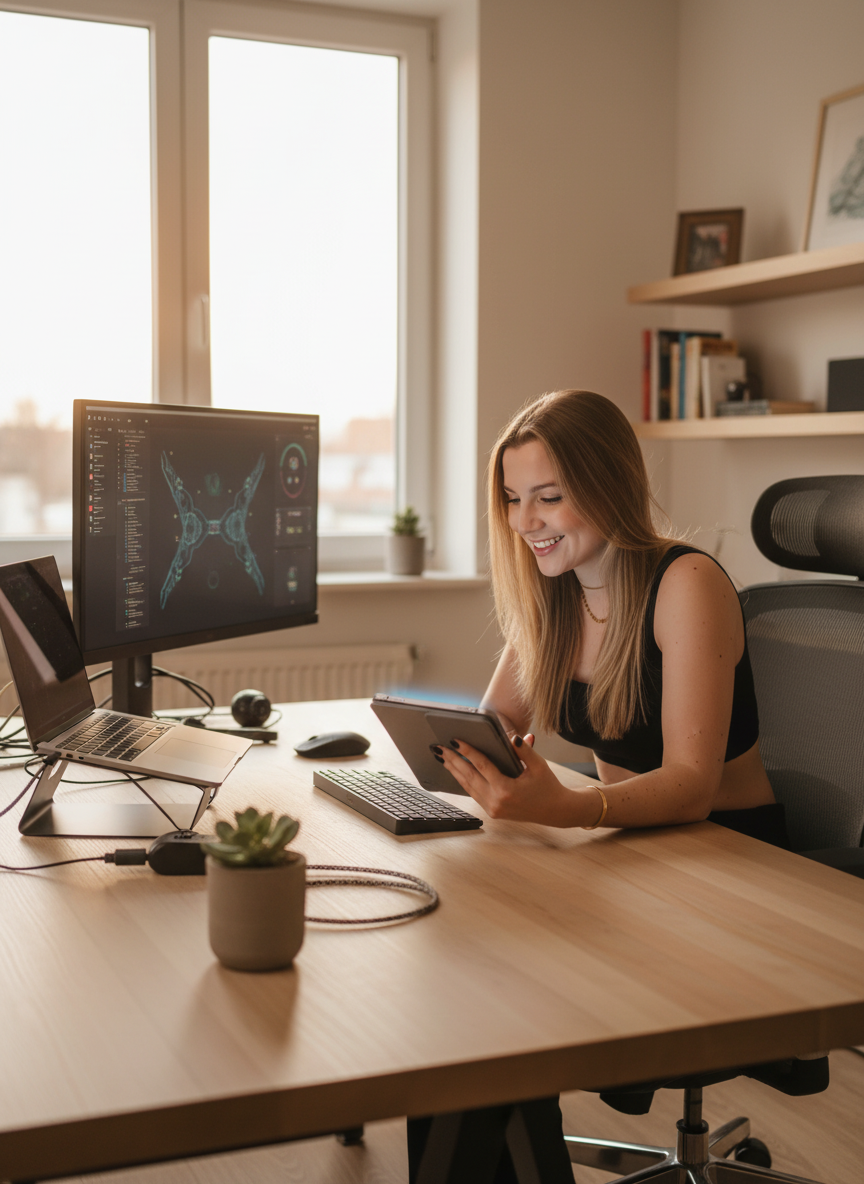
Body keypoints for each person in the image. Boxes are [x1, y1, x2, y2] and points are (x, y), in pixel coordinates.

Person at [433, 388, 788, 848]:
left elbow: (692, 785)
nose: (523, 522)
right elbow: (499, 718)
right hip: (628, 839)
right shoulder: (555, 590)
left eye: (549, 497)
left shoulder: (687, 583)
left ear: (609, 487)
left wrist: (567, 807)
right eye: (512, 498)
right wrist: (472, 753)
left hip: (730, 848)